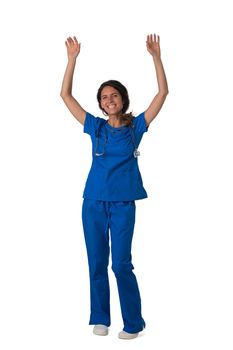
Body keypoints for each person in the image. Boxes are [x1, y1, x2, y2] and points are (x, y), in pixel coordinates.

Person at [60, 33, 168, 340]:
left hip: (123, 204)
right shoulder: (95, 127)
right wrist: (72, 60)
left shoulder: (137, 127)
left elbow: (163, 93)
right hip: (93, 202)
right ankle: (100, 317)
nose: (109, 100)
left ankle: (134, 323)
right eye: (104, 98)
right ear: (101, 105)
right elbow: (65, 96)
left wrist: (156, 58)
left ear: (123, 99)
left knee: (121, 263)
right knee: (96, 261)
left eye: (114, 96)